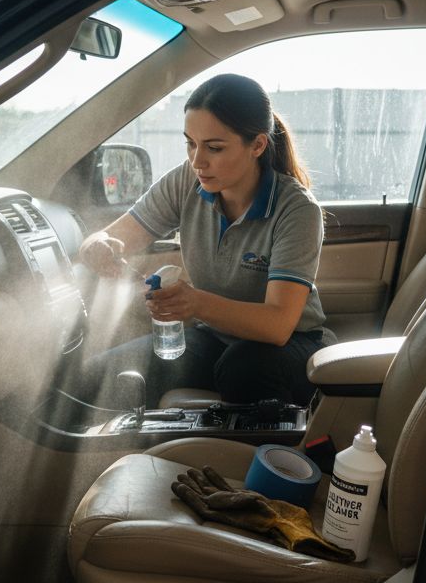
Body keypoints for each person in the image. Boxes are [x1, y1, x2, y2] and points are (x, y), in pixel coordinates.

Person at [76, 73, 334, 408]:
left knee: (242, 369)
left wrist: (195, 304)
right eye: (190, 143)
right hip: (215, 337)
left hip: (292, 345)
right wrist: (96, 246)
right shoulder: (187, 181)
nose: (197, 161)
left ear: (257, 145)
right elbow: (112, 235)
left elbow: (278, 325)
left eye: (214, 148)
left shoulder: (296, 209)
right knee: (101, 375)